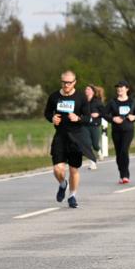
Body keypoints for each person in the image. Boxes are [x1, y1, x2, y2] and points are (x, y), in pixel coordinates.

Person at [44, 70, 95, 208]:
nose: (66, 85)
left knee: (73, 170)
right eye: (64, 82)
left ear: (74, 82)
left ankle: (72, 196)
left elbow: (88, 118)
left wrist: (78, 118)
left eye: (69, 83)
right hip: (60, 136)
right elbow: (47, 113)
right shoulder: (54, 96)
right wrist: (52, 118)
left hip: (76, 137)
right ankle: (62, 184)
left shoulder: (81, 98)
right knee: (57, 169)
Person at [103, 80, 135, 184]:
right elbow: (104, 114)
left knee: (124, 150)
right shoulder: (112, 102)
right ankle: (121, 174)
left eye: (121, 87)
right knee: (119, 153)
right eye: (117, 87)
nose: (119, 89)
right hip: (116, 131)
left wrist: (134, 117)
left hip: (128, 130)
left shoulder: (132, 101)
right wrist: (113, 119)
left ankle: (126, 175)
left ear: (127, 89)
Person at [84, 85, 104, 170]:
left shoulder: (97, 102)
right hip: (84, 126)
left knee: (95, 145)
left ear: (92, 91)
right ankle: (92, 163)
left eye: (88, 89)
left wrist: (98, 114)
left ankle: (99, 151)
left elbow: (105, 112)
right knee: (87, 144)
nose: (86, 90)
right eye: (86, 89)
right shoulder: (83, 101)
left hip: (95, 125)